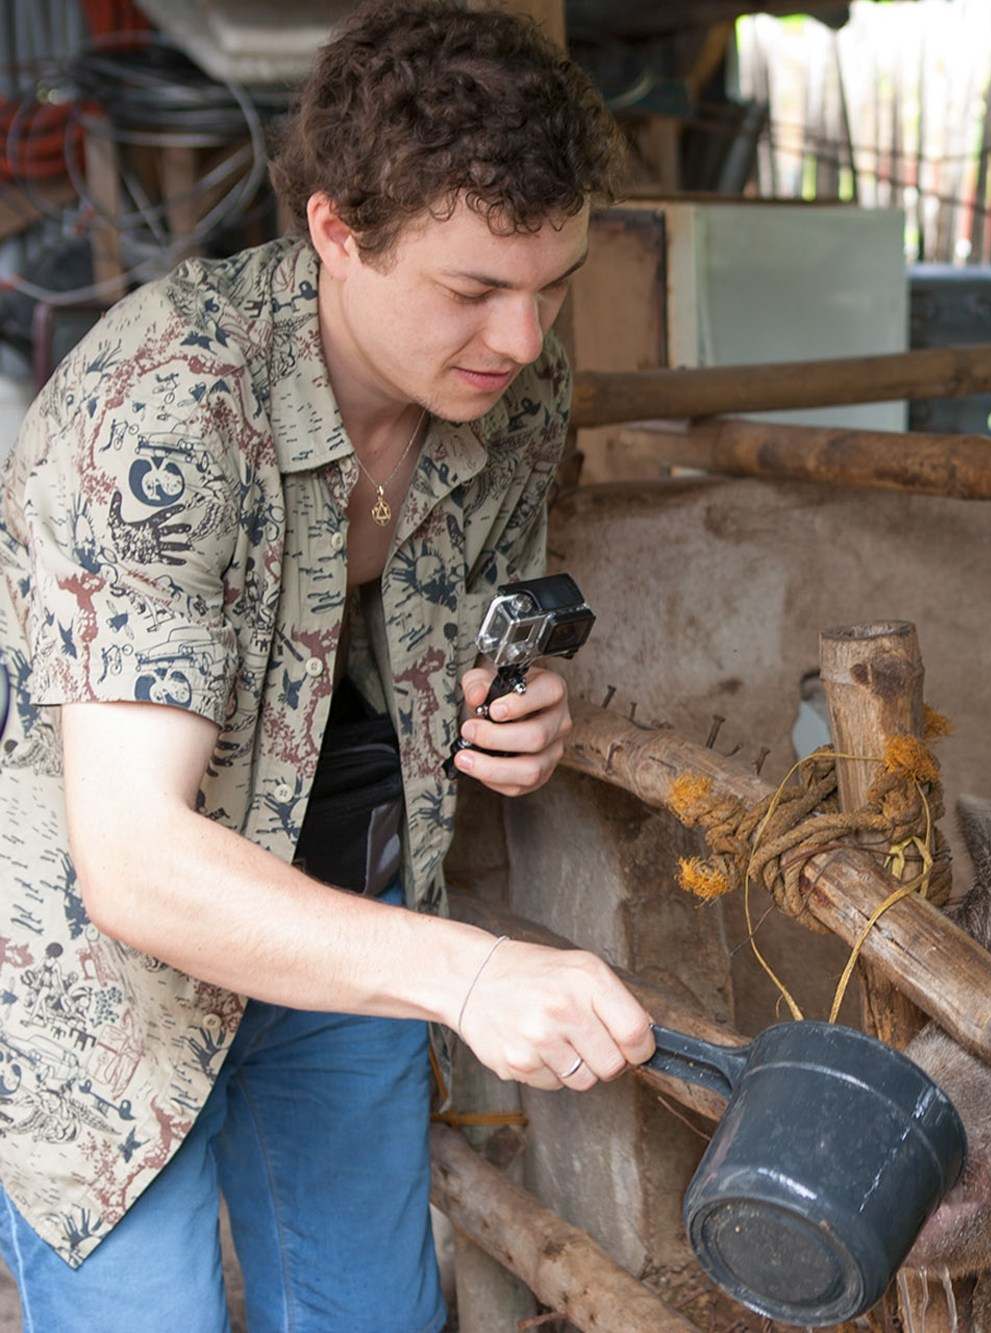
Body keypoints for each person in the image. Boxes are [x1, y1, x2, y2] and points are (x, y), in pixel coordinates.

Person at [0, 3, 657, 1327]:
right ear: (337, 233)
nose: (524, 339)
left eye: (553, 287)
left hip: (354, 901)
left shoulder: (510, 386)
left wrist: (516, 704)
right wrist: (469, 972)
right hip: (103, 972)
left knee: (371, 1314)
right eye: (473, 291)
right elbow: (133, 859)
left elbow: (485, 602)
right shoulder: (166, 405)